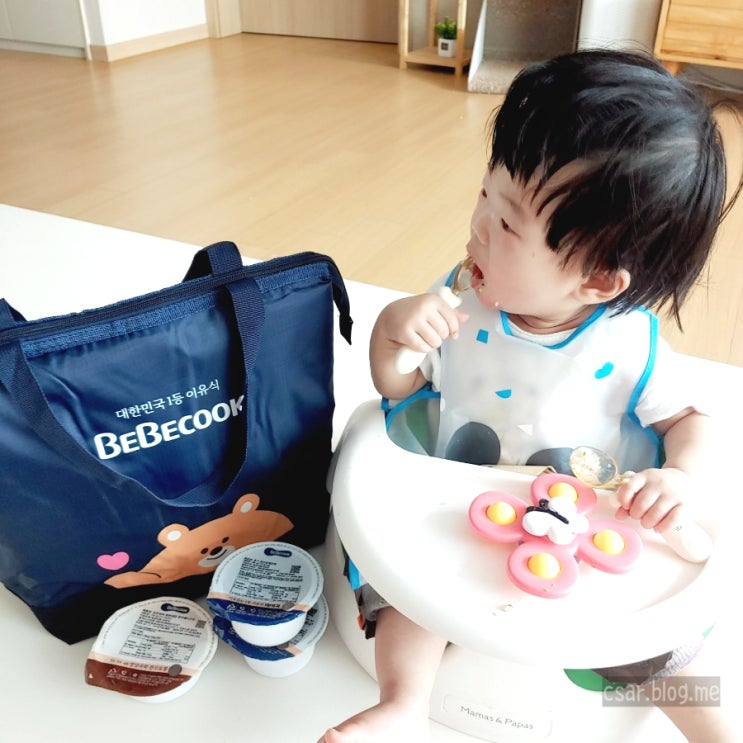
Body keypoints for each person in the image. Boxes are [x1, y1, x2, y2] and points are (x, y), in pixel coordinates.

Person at [319, 49, 740, 743]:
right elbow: (403, 396)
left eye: (509, 223)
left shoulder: (627, 344)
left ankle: (718, 731)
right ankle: (404, 703)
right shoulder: (460, 297)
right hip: (457, 513)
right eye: (486, 195)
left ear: (597, 280)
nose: (479, 226)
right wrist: (392, 337)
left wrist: (679, 478)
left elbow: (690, 419)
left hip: (589, 530)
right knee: (405, 590)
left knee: (665, 645)